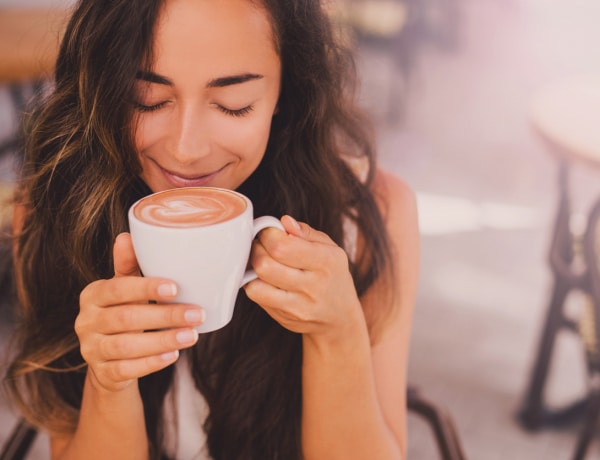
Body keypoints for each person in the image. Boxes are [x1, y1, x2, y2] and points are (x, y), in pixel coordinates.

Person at [4, 0, 419, 459]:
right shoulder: (60, 212)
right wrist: (110, 382)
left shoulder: (370, 215)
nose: (186, 150)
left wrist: (338, 334)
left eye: (233, 105)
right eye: (147, 100)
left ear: (286, 92)